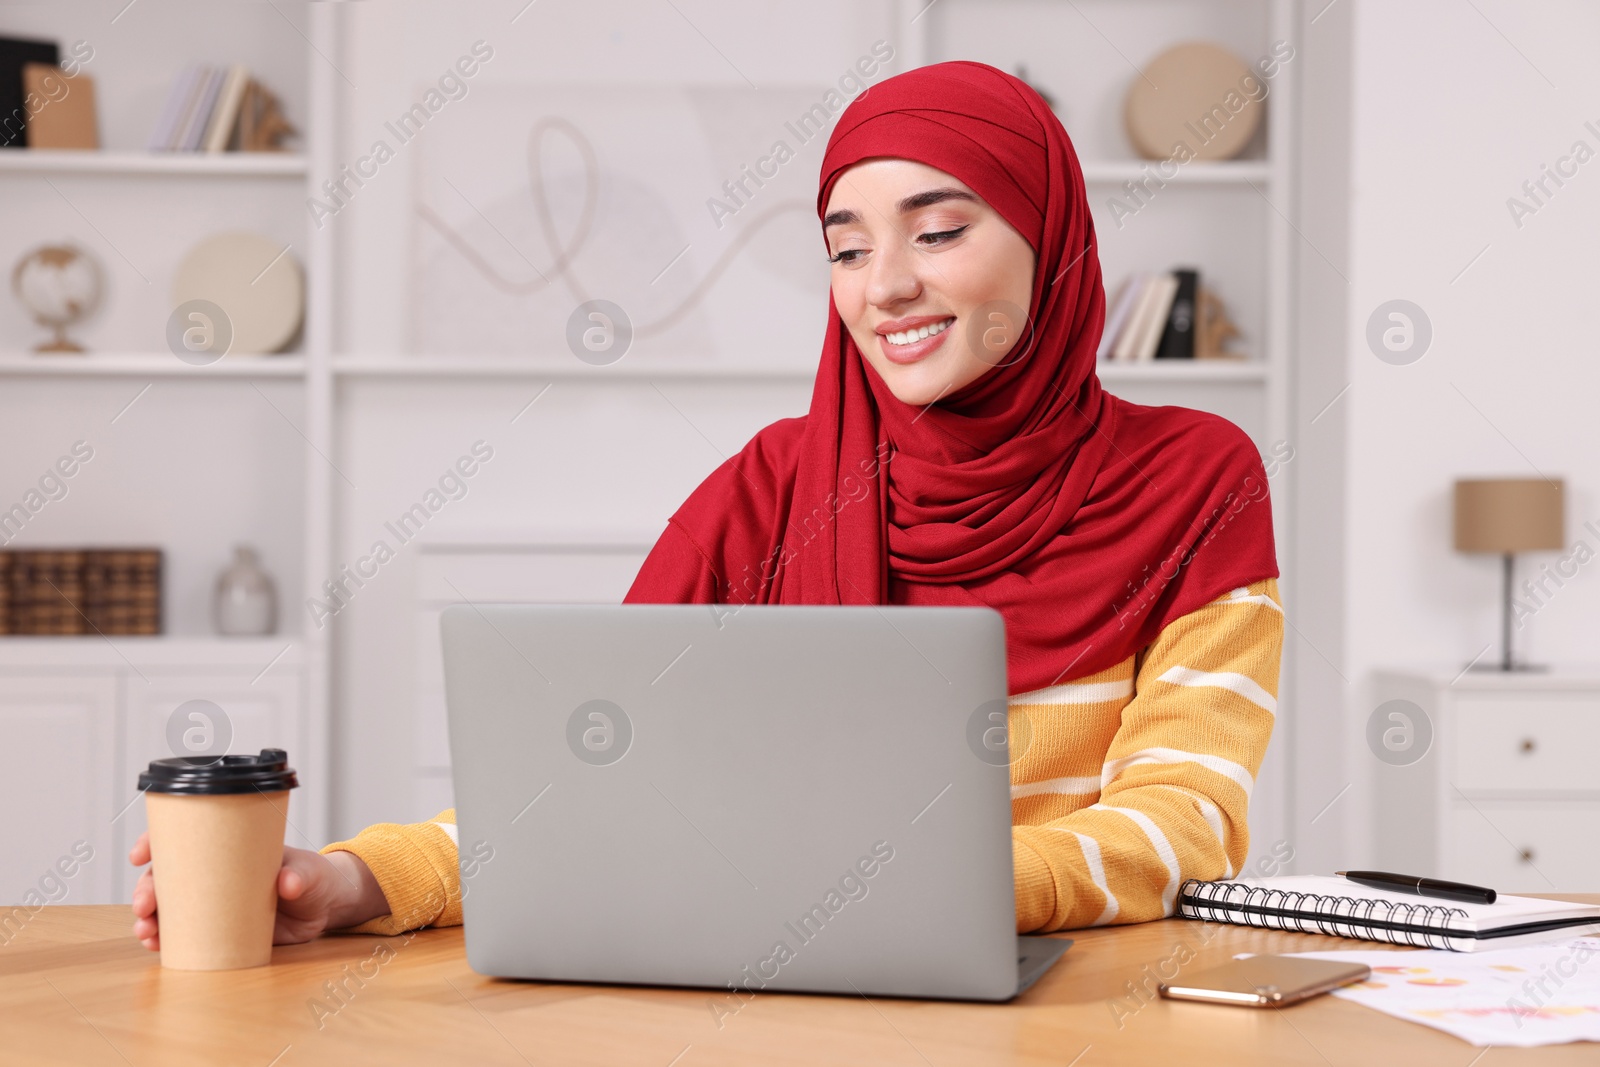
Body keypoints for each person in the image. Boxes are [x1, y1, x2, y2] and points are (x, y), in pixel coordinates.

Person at [130, 60, 1282, 950]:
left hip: (1069, 999)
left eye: (938, 232)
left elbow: (1183, 822)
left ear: (1051, 233)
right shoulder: (767, 489)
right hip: (784, 992)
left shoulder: (1194, 477)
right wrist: (351, 879)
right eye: (844, 247)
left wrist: (936, 890)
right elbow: (595, 790)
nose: (883, 287)